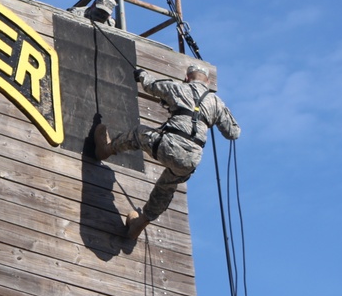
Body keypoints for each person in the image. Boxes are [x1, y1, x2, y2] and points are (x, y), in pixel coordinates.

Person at [94, 64, 241, 239]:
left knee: (138, 134)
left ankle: (106, 149)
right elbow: (233, 133)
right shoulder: (216, 103)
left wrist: (141, 74)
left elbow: (150, 85)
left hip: (169, 145)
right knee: (166, 187)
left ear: (187, 78)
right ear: (207, 83)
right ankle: (140, 223)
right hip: (191, 159)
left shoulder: (179, 87)